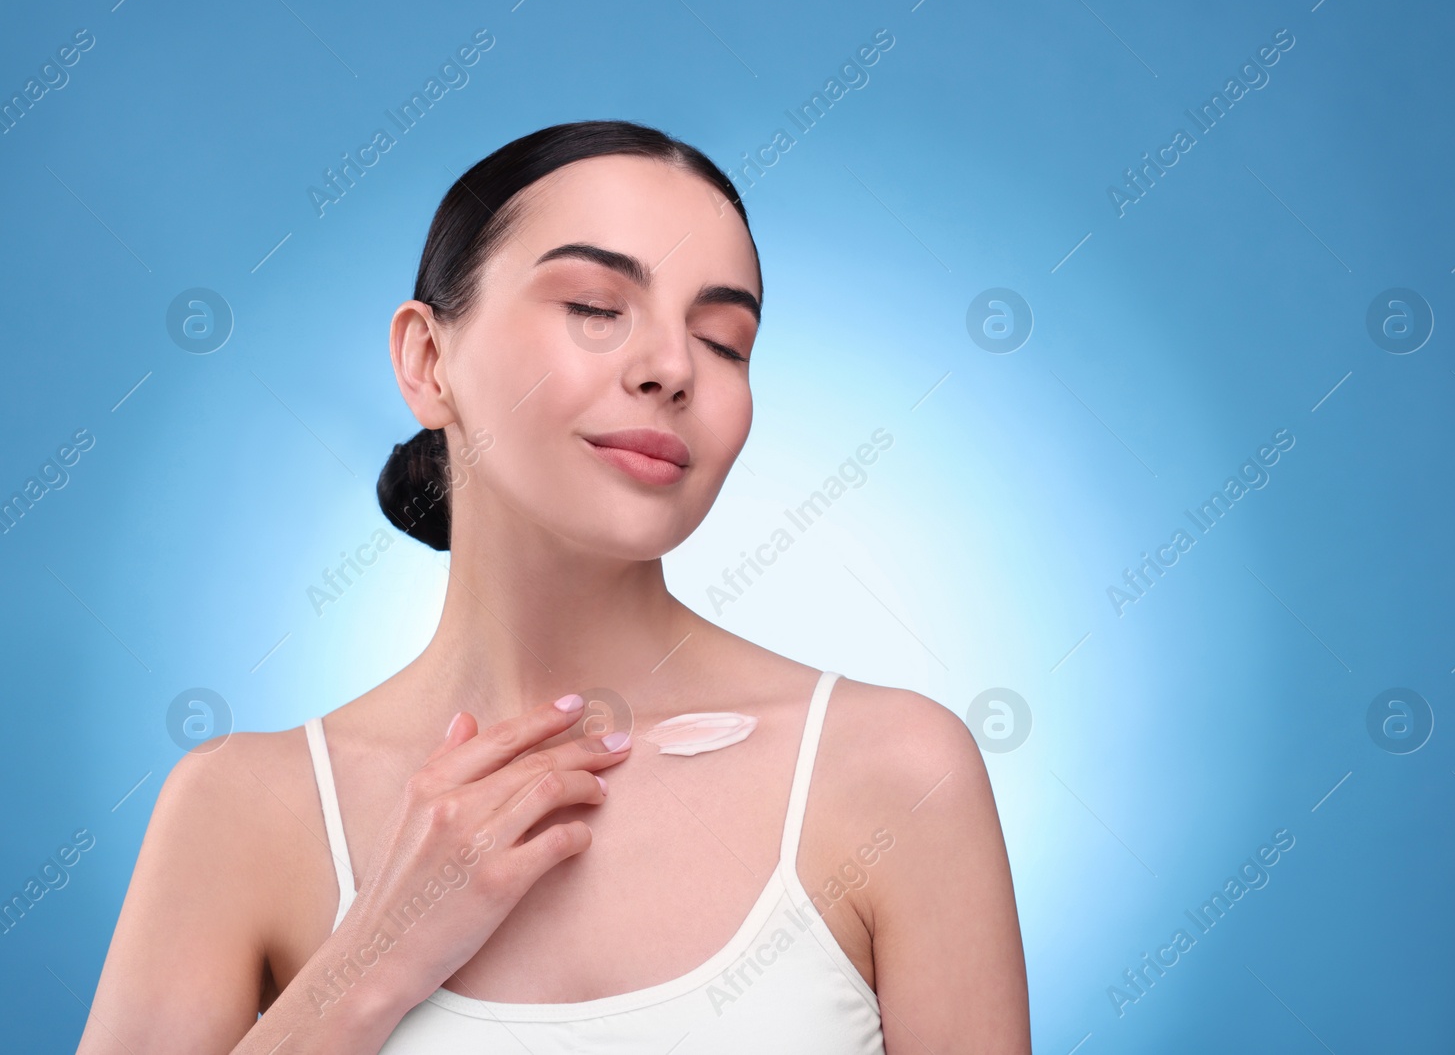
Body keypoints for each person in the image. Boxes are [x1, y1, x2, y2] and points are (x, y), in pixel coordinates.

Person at [77, 120, 1030, 1053]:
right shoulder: (243, 809)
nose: (669, 368)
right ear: (428, 360)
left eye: (723, 340)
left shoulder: (896, 773)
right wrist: (370, 960)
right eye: (595, 306)